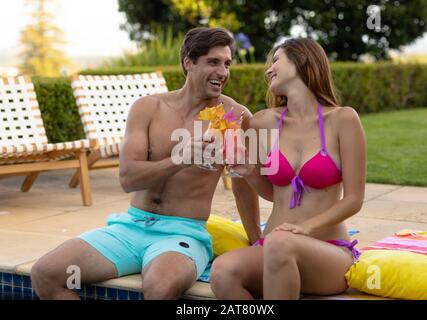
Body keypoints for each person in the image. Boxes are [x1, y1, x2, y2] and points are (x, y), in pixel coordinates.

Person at [30, 27, 260, 300]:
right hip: (130, 228)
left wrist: (257, 241)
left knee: (160, 288)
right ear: (189, 62)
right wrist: (180, 159)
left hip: (182, 234)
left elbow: (242, 187)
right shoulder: (148, 108)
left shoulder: (234, 116)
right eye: (213, 62)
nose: (223, 72)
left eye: (227, 64)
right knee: (47, 274)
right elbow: (128, 179)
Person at [210, 38, 367, 300]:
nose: (268, 70)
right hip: (272, 245)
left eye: (275, 60)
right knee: (222, 272)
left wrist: (306, 227)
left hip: (326, 251)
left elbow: (354, 199)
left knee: (281, 244)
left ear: (302, 60)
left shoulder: (344, 119)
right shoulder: (263, 122)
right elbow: (274, 193)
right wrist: (248, 172)